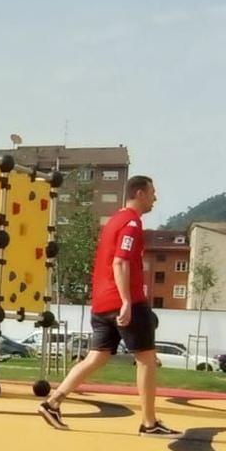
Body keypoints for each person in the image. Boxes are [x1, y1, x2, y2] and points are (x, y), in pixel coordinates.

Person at [36, 175, 175, 436]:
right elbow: (120, 262)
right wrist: (126, 302)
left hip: (101, 303)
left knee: (97, 356)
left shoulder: (114, 222)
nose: (156, 197)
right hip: (125, 301)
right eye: (153, 192)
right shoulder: (131, 224)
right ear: (140, 193)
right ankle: (149, 423)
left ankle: (53, 402)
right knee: (146, 359)